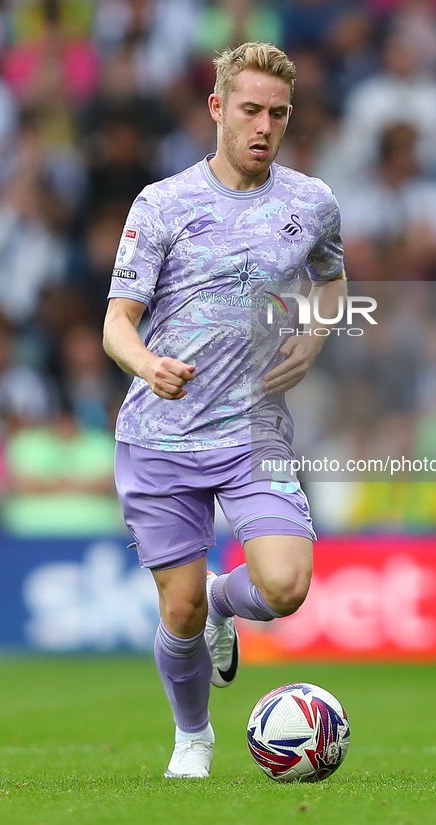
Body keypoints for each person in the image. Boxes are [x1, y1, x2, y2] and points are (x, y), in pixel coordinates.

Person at [102, 42, 345, 779]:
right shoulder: (163, 204)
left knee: (285, 587)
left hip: (252, 431)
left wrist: (313, 336)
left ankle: (221, 599)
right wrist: (148, 364)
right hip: (161, 434)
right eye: (249, 110)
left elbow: (332, 281)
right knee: (175, 614)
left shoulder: (311, 203)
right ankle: (192, 737)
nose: (263, 126)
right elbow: (116, 323)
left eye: (277, 113)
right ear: (217, 109)